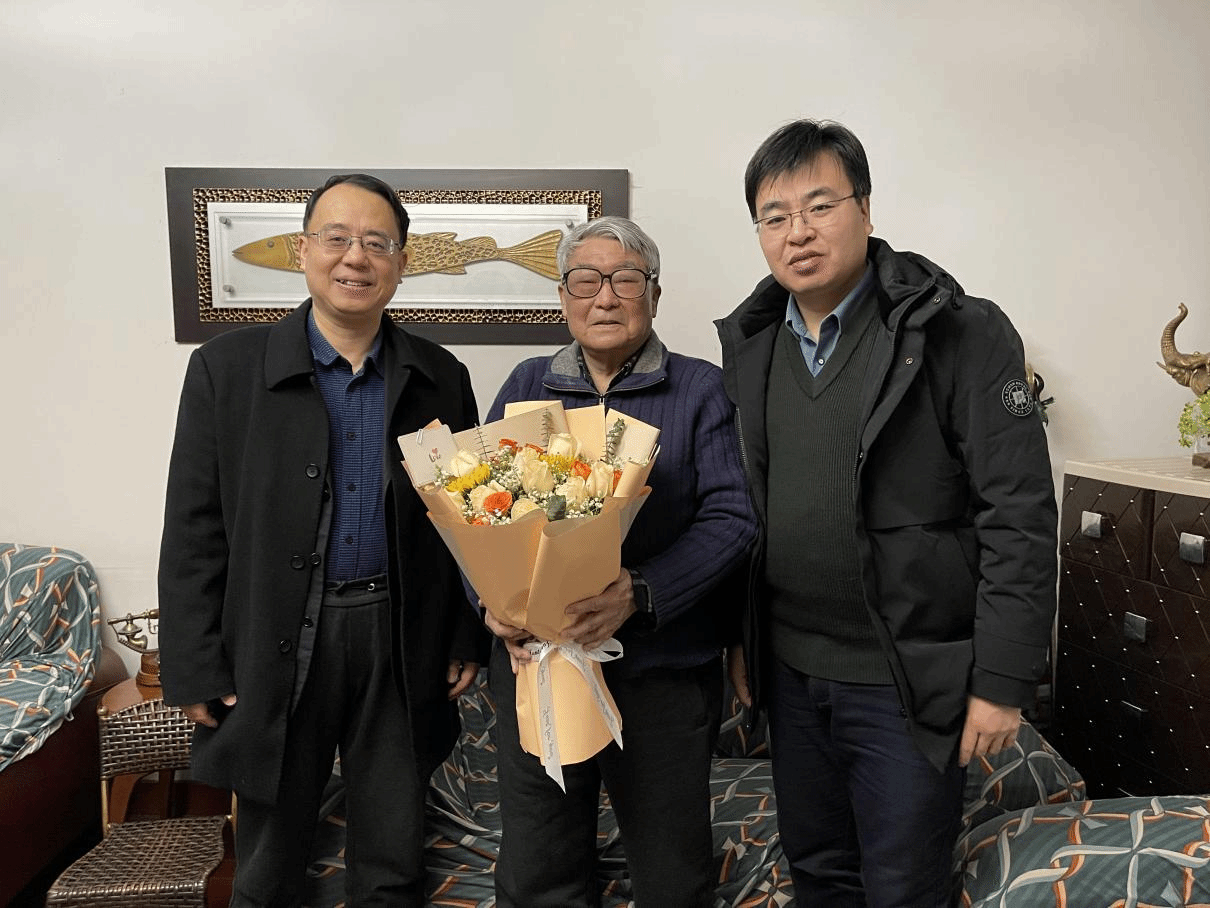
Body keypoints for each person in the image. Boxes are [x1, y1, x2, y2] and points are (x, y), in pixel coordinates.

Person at [716, 120, 1058, 907]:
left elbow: (1018, 514)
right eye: (774, 216)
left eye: (820, 205)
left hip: (904, 679)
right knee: (818, 871)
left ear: (865, 209)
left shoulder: (958, 331)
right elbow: (749, 510)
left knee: (903, 887)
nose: (798, 232)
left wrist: (1002, 681)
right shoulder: (753, 342)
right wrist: (744, 640)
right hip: (792, 673)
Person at [158, 173, 484, 908]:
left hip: (399, 633)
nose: (355, 257)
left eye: (377, 242)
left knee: (392, 854)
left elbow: (465, 522)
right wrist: (195, 662)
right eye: (336, 238)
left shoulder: (441, 375)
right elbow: (192, 525)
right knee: (269, 862)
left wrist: (463, 634)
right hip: (276, 637)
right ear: (303, 251)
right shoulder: (226, 369)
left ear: (401, 262)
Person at [478, 216, 758, 907]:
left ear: (654, 295)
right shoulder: (526, 382)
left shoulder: (701, 389)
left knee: (671, 872)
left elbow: (733, 518)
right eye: (585, 280)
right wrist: (491, 600)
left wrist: (641, 590)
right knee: (539, 868)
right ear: (563, 297)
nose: (605, 297)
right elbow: (477, 507)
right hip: (539, 664)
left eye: (626, 279)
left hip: (662, 673)